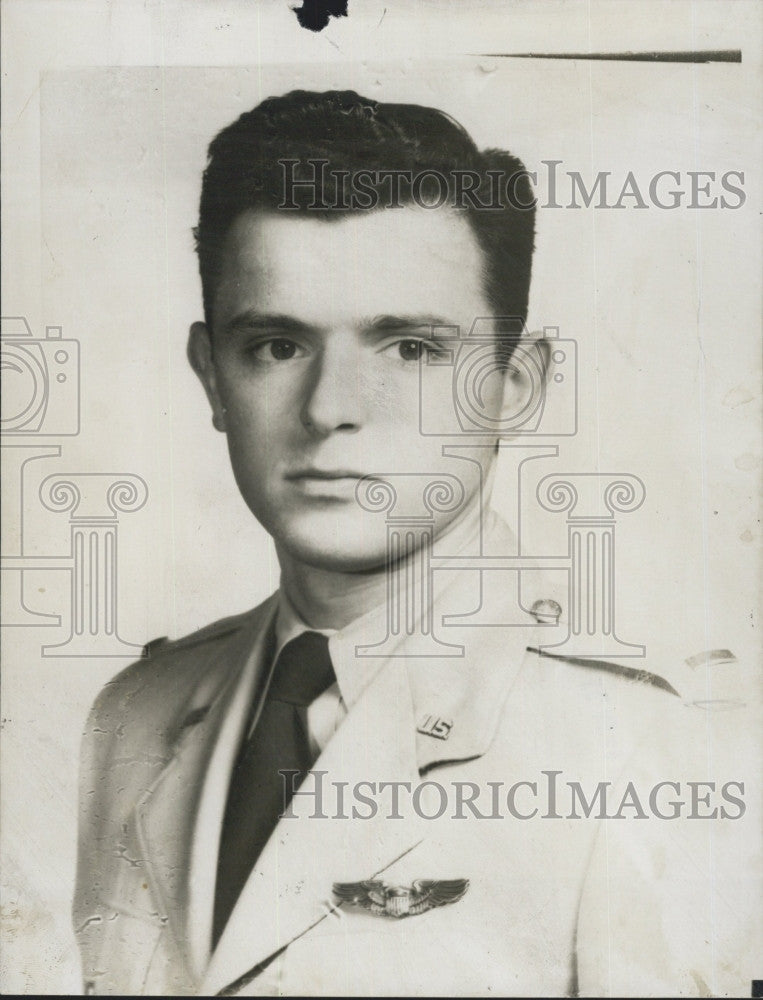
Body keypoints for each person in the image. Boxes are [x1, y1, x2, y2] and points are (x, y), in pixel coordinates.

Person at [72, 90, 757, 997]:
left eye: (410, 350)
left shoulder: (638, 748)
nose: (327, 411)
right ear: (209, 375)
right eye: (276, 345)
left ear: (514, 384)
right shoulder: (134, 713)